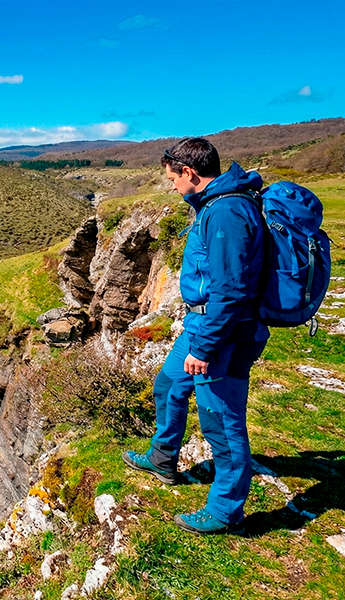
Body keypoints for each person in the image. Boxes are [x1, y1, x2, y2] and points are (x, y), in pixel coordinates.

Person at [122, 137, 270, 535]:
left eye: (172, 177)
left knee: (221, 421)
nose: (171, 185)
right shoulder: (214, 206)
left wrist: (204, 347)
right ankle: (163, 457)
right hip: (202, 326)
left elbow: (230, 290)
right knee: (168, 385)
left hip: (226, 333)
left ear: (189, 172)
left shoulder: (226, 212)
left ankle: (225, 511)